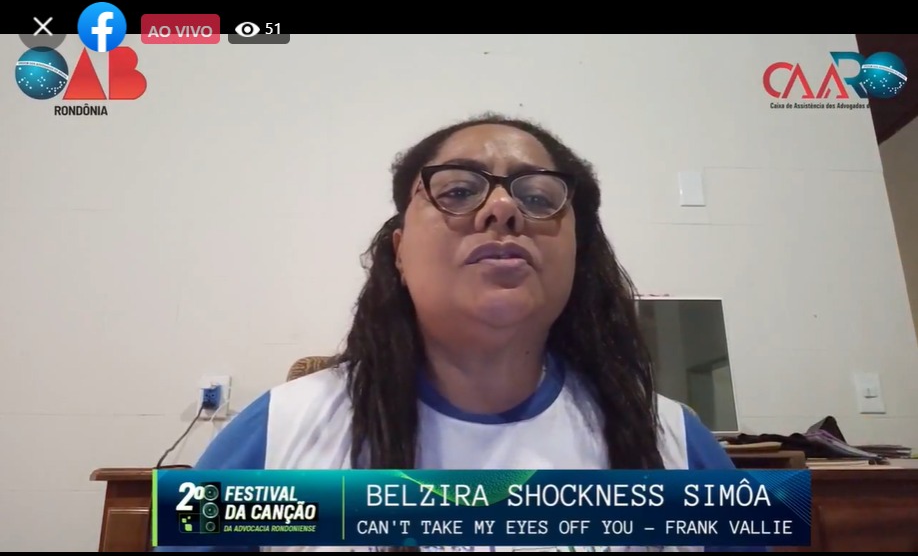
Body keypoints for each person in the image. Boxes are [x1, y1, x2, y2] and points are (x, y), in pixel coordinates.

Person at [157, 113, 758, 553]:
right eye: (459, 190)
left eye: (539, 196)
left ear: (578, 254)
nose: (502, 210)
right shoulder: (277, 435)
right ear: (399, 251)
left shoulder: (677, 446)